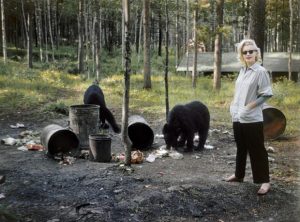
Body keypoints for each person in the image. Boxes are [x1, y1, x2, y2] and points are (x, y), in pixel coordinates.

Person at [225, 39, 273, 195]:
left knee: (257, 149)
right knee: (241, 147)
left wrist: (249, 107)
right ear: (241, 54)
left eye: (251, 51)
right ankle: (239, 175)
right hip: (238, 116)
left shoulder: (260, 71)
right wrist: (233, 105)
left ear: (256, 52)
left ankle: (264, 181)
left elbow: (266, 94)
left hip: (252, 117)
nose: (248, 54)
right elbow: (239, 92)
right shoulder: (243, 70)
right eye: (245, 52)